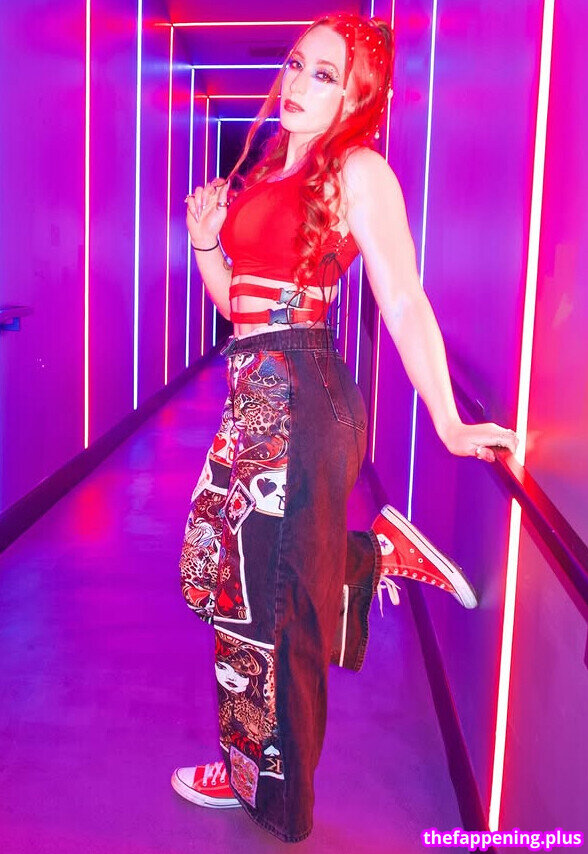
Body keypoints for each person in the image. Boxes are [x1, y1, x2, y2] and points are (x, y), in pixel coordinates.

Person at [171, 11, 519, 843]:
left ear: (355, 96)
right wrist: (206, 243)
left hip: (302, 397)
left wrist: (446, 418)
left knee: (272, 613)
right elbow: (240, 309)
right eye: (297, 64)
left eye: (324, 75)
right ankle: (364, 556)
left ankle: (273, 797)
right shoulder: (267, 169)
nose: (298, 83)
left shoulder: (357, 170)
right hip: (254, 390)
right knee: (214, 571)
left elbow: (402, 296)